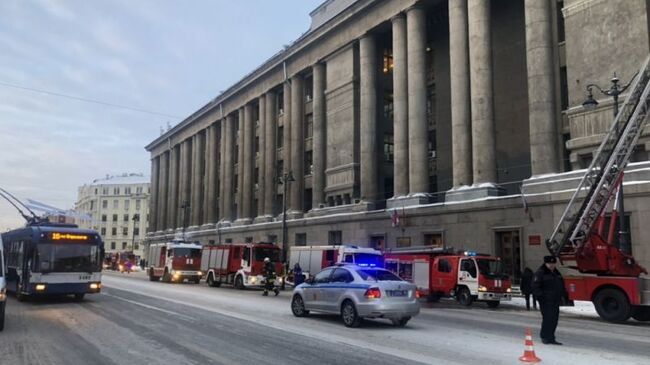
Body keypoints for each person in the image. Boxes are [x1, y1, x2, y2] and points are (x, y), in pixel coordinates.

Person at [532, 256, 567, 345]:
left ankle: (551, 337)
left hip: (555, 300)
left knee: (554, 319)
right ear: (545, 263)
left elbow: (561, 285)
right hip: (546, 301)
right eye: (550, 264)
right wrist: (541, 298)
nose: (552, 265)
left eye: (553, 264)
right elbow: (535, 287)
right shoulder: (540, 273)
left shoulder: (556, 273)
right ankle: (544, 336)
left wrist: (563, 296)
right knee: (547, 319)